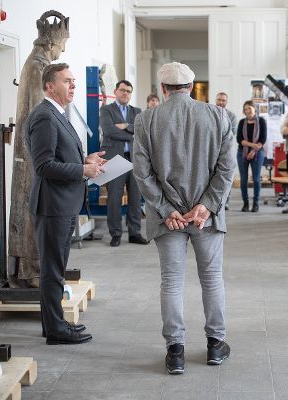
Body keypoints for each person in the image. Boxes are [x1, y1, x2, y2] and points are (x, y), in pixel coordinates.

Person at [133, 62, 235, 374]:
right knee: (212, 278)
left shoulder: (147, 119)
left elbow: (142, 171)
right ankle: (215, 346)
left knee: (172, 281)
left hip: (169, 220)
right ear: (191, 87)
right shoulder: (219, 116)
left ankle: (175, 351)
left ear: (163, 89)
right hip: (206, 218)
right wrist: (207, 204)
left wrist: (166, 210)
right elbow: (226, 168)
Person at [26, 63, 105, 344]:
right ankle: (56, 330)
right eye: (67, 81)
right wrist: (82, 171)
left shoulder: (57, 114)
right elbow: (44, 165)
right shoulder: (45, 117)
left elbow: (60, 157)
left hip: (62, 204)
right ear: (50, 86)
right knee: (52, 270)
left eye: (74, 81)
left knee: (55, 269)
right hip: (53, 206)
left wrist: (85, 161)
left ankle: (53, 325)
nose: (73, 86)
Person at [8, 10, 69, 288]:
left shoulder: (42, 63)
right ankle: (30, 270)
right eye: (62, 42)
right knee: (32, 207)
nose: (64, 47)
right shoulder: (37, 66)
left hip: (36, 150)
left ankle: (37, 267)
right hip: (34, 152)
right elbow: (41, 115)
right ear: (50, 41)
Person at [100, 80, 149, 247]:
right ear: (116, 91)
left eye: (128, 91)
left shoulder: (137, 111)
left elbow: (141, 130)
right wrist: (131, 133)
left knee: (136, 198)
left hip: (134, 159)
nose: (125, 93)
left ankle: (135, 233)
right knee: (114, 198)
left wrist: (125, 126)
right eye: (122, 90)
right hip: (115, 159)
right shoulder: (106, 110)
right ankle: (115, 234)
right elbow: (109, 130)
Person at [236, 100, 267, 212]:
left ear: (255, 109)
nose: (247, 111)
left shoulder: (262, 121)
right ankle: (245, 203)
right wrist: (253, 146)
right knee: (243, 179)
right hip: (242, 153)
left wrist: (253, 151)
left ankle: (255, 204)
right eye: (245, 109)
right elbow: (240, 140)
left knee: (256, 179)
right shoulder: (241, 122)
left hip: (258, 153)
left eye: (249, 108)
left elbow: (262, 139)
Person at [214, 91, 237, 210]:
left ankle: (225, 201)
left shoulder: (232, 116)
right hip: (212, 151)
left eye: (223, 100)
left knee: (226, 176)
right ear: (215, 100)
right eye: (219, 100)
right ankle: (214, 201)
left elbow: (232, 134)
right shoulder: (210, 113)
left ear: (226, 102)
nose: (221, 102)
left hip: (226, 151)